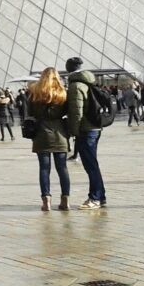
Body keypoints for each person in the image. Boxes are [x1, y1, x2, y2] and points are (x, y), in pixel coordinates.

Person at [66, 56, 107, 209]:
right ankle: (100, 196)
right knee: (93, 164)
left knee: (91, 165)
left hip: (86, 129)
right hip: (95, 127)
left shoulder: (76, 86)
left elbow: (76, 112)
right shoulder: (88, 81)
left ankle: (95, 198)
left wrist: (74, 131)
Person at [28, 68, 71, 212]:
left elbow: (29, 113)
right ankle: (65, 200)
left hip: (41, 133)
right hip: (60, 133)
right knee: (62, 168)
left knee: (44, 169)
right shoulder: (63, 93)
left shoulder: (35, 92)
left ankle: (46, 200)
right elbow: (68, 112)